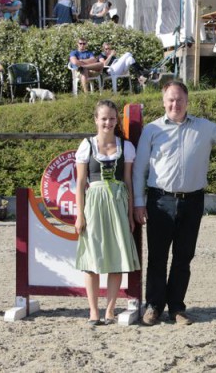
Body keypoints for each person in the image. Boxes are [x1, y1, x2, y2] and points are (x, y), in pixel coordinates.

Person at [132, 81, 216, 326]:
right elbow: (139, 170)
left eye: (179, 99)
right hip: (160, 201)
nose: (174, 104)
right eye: (170, 100)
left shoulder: (204, 128)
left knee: (183, 257)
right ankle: (154, 306)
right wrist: (138, 203)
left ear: (187, 101)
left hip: (193, 202)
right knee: (157, 257)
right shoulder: (151, 130)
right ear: (163, 101)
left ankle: (177, 308)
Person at [74, 100, 140, 326]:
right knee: (92, 258)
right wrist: (80, 215)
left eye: (112, 118)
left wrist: (130, 215)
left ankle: (110, 310)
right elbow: (81, 183)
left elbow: (129, 182)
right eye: (104, 118)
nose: (108, 123)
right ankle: (93, 310)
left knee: (116, 257)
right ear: (96, 119)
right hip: (93, 204)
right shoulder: (87, 146)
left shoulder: (126, 147)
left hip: (118, 204)